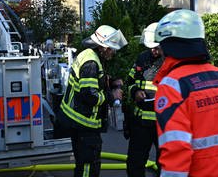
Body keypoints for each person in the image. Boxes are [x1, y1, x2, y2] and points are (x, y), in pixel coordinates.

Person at [153, 9, 218, 177]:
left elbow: (175, 151)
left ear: (169, 46)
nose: (159, 52)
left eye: (161, 47)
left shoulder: (172, 85)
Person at [57, 25, 127, 177]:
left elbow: (95, 82)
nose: (113, 52)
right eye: (111, 48)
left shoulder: (91, 56)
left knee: (82, 164)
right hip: (84, 124)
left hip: (78, 122)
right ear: (103, 47)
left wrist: (112, 82)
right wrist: (112, 96)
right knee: (89, 166)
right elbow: (89, 96)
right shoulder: (91, 63)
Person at [124, 22, 163, 177]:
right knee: (135, 163)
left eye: (157, 47)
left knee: (166, 164)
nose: (153, 50)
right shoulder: (142, 58)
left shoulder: (171, 62)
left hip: (163, 124)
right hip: (141, 123)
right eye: (151, 47)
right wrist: (135, 91)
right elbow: (129, 80)